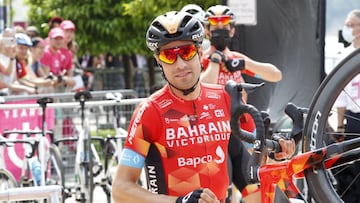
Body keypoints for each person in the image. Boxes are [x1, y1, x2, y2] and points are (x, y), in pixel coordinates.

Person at [112, 10, 295, 203]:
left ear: (200, 53)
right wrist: (179, 202)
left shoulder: (224, 97)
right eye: (169, 56)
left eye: (186, 52)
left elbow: (252, 159)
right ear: (158, 61)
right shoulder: (150, 111)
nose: (180, 64)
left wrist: (277, 152)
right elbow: (121, 190)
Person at [200, 5, 283, 201]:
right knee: (222, 191)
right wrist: (214, 62)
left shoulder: (236, 58)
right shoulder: (202, 59)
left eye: (225, 25)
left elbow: (275, 74)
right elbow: (203, 86)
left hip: (244, 130)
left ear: (233, 29)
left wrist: (245, 64)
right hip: (216, 133)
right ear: (206, 30)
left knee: (255, 190)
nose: (220, 29)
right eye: (214, 25)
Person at [333, 9, 360, 203]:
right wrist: (340, 125)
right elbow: (341, 94)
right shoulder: (345, 54)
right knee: (354, 166)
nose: (347, 29)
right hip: (353, 117)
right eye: (346, 25)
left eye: (351, 25)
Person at [40, 27, 75, 92]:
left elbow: (59, 75)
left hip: (55, 87)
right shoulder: (46, 53)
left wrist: (61, 79)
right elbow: (47, 78)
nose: (58, 41)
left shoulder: (59, 53)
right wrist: (61, 79)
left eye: (60, 39)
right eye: (56, 39)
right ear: (50, 39)